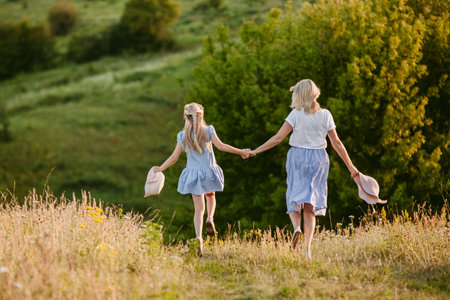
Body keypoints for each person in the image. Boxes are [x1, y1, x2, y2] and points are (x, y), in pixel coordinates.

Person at [248, 79, 358, 259]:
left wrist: (255, 151)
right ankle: (307, 250)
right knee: (310, 205)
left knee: (293, 195)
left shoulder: (296, 114)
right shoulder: (325, 115)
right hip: (319, 160)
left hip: (298, 158)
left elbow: (277, 138)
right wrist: (351, 166)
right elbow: (336, 143)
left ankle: (296, 227)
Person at [151, 102, 250, 257]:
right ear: (201, 115)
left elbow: (174, 158)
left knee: (198, 210)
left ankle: (198, 238)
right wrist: (241, 152)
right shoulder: (208, 130)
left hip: (193, 175)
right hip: (209, 172)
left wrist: (160, 168)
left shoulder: (182, 135)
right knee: (211, 196)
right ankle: (210, 218)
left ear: (186, 117)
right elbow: (222, 146)